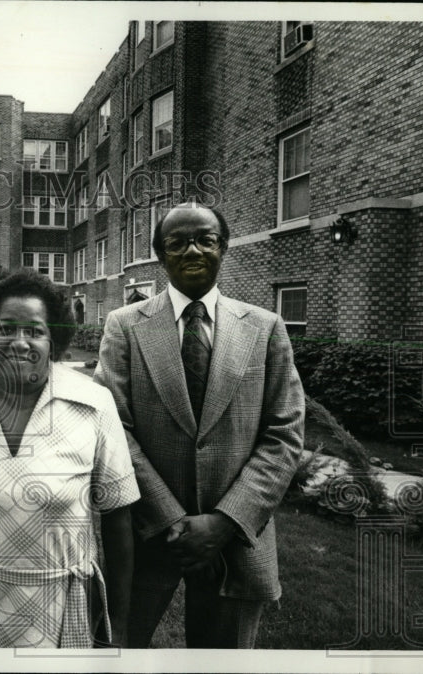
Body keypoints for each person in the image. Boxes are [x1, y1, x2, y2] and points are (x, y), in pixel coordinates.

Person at [93, 203, 305, 648]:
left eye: (205, 239)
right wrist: (172, 520)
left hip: (237, 541)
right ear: (160, 255)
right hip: (147, 537)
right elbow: (112, 429)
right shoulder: (125, 326)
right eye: (177, 242)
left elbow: (284, 433)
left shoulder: (265, 328)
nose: (193, 250)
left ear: (223, 248)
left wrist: (224, 523)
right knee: (118, 653)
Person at [0, 269, 138, 648]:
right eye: (6, 328)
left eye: (35, 331)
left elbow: (118, 518)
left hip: (62, 610)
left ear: (53, 338)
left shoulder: (93, 404)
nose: (19, 342)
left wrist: (118, 624)